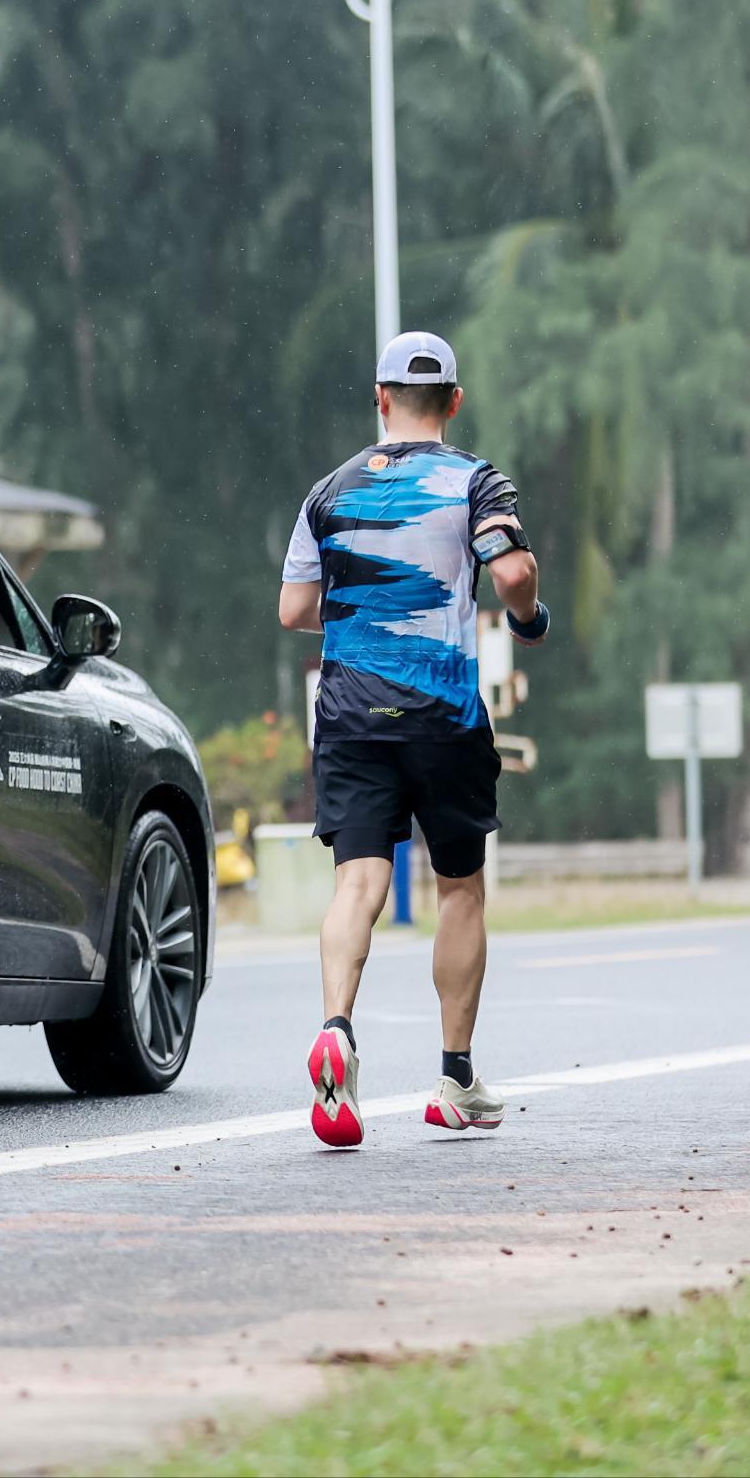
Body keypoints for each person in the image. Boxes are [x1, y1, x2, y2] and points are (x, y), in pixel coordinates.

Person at [276, 332, 545, 1148]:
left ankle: (336, 1029)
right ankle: (456, 1075)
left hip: (351, 714)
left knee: (357, 882)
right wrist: (529, 618)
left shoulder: (328, 490)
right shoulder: (474, 481)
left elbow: (293, 610)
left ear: (380, 398)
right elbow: (511, 574)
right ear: (454, 403)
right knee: (458, 886)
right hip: (444, 718)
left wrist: (362, 611)